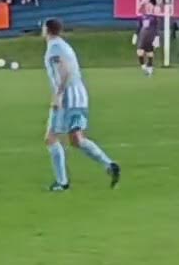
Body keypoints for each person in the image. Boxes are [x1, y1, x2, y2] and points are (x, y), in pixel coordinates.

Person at [42, 19, 121, 192]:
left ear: (46, 30)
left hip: (68, 98)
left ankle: (62, 182)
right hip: (80, 96)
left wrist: (59, 94)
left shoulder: (54, 47)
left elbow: (65, 69)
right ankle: (109, 165)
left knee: (51, 138)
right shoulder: (65, 45)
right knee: (77, 139)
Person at [135, 0, 162, 77]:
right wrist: (135, 35)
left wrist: (157, 38)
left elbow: (157, 27)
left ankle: (150, 68)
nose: (148, 7)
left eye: (150, 5)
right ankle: (144, 67)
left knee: (150, 53)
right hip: (143, 35)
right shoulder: (142, 16)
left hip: (150, 35)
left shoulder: (154, 17)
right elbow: (139, 26)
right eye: (147, 6)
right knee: (139, 52)